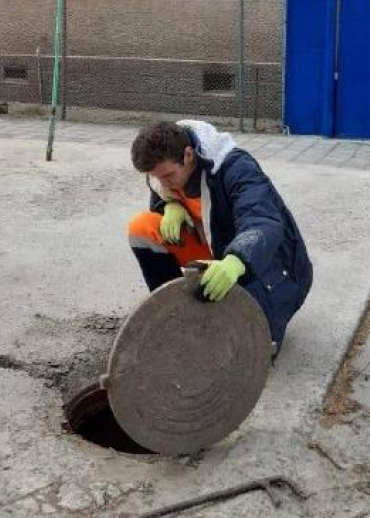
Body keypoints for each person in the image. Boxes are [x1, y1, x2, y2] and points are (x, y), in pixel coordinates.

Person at [128, 120, 313, 354]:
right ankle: (178, 313)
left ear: (188, 155)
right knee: (141, 228)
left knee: (245, 353)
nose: (163, 183)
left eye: (168, 176)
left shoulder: (237, 168)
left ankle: (250, 317)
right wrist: (170, 206)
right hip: (216, 249)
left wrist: (237, 261)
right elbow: (159, 184)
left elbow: (263, 222)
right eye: (157, 178)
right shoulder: (166, 171)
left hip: (265, 265)